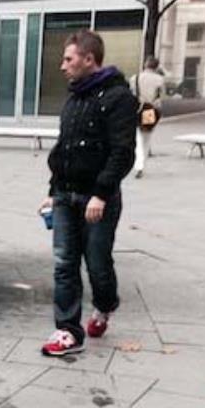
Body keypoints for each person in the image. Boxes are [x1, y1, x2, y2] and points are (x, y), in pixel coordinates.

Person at [39, 30, 137, 357]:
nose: (62, 66)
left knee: (97, 263)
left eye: (69, 59)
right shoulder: (74, 99)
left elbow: (122, 152)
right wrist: (53, 190)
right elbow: (63, 149)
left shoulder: (118, 98)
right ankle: (68, 330)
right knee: (64, 263)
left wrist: (101, 194)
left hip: (97, 199)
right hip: (65, 196)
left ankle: (105, 305)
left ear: (89, 59)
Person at [129, 56, 165, 178]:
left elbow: (131, 94)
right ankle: (141, 165)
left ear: (145, 64)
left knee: (137, 137)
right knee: (146, 138)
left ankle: (137, 163)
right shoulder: (159, 79)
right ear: (156, 66)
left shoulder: (135, 78)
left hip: (136, 109)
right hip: (149, 110)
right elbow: (161, 97)